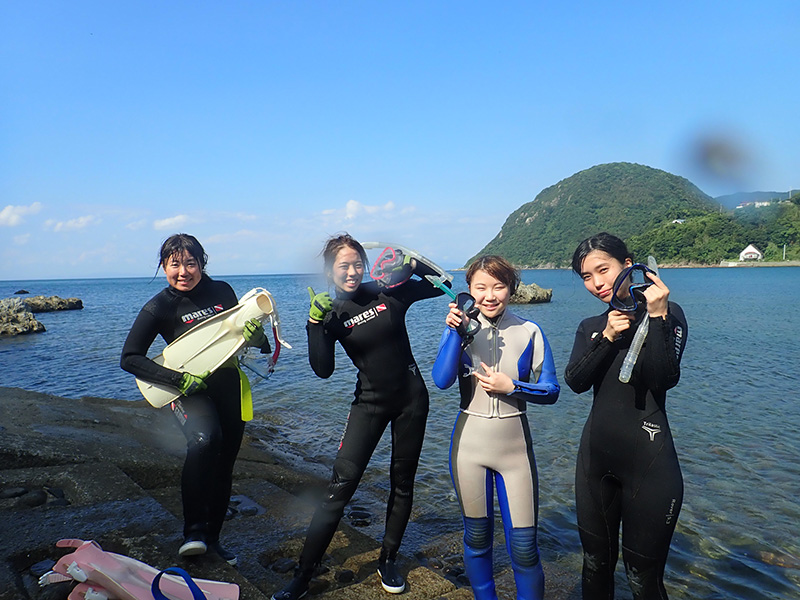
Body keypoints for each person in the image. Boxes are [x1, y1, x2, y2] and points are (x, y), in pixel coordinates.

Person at [272, 233, 449, 600]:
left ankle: (388, 559)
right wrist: (313, 322)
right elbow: (323, 370)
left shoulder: (388, 292)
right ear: (328, 272)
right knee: (340, 487)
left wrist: (412, 262)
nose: (351, 272)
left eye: (357, 265)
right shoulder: (331, 314)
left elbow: (442, 283)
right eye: (343, 266)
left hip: (411, 401)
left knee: (402, 483)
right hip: (367, 404)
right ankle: (302, 578)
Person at [120, 233, 271, 566]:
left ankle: (213, 541)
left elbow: (255, 343)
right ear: (163, 266)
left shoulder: (223, 293)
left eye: (191, 263)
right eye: (175, 264)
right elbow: (130, 357)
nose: (183, 271)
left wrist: (257, 337)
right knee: (205, 441)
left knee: (225, 463)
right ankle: (194, 532)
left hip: (228, 384)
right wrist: (179, 380)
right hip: (187, 390)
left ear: (202, 263)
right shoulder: (160, 306)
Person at [564, 232, 688, 599]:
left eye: (602, 270)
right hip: (595, 461)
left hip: (649, 465)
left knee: (642, 579)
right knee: (595, 564)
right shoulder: (591, 326)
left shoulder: (669, 314)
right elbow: (575, 381)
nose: (596, 283)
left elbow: (664, 378)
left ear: (628, 265)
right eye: (587, 277)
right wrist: (605, 338)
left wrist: (659, 317)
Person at [431, 255, 560, 600]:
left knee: (524, 547)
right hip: (468, 448)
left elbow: (552, 390)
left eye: (499, 286)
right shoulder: (459, 331)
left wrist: (513, 387)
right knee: (476, 539)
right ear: (469, 291)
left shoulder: (530, 331)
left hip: (515, 451)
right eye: (481, 287)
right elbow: (442, 380)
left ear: (511, 289)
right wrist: (452, 332)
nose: (490, 295)